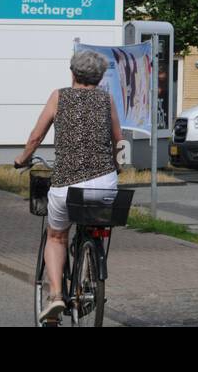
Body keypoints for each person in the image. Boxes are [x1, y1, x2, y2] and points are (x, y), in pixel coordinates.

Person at [15, 51, 123, 324]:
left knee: (56, 237)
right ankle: (90, 257)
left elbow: (37, 135)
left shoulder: (59, 96)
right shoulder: (106, 99)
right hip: (105, 184)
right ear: (99, 78)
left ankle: (55, 296)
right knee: (92, 222)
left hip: (66, 185)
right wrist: (118, 166)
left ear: (73, 73)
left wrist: (22, 159)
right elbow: (119, 141)